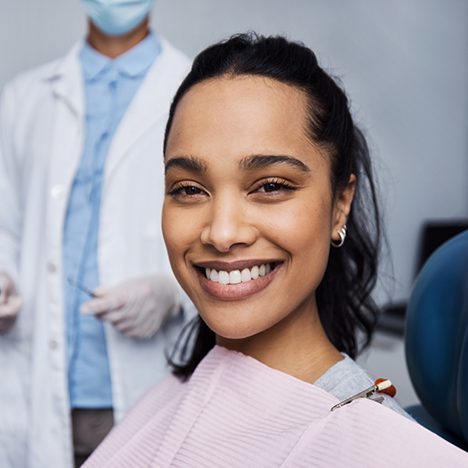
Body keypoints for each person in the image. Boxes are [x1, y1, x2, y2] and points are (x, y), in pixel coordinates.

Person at [86, 33, 467, 466]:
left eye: (270, 186)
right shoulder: (167, 396)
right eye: (189, 189)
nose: (222, 233)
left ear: (340, 204)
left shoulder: (386, 451)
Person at [0, 1, 192, 467]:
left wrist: (175, 293)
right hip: (32, 390)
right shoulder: (25, 97)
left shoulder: (194, 90)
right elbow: (6, 227)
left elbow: (221, 228)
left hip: (143, 388)